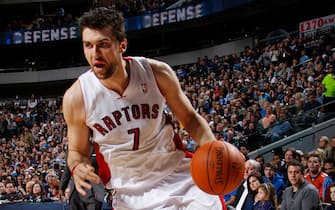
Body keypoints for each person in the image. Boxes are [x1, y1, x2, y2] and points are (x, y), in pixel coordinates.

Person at [62, 7, 225, 209]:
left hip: (178, 173)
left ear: (122, 44)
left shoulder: (157, 73)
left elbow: (190, 119)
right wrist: (78, 166)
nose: (95, 54)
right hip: (129, 191)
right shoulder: (77, 97)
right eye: (88, 45)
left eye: (103, 45)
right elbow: (77, 150)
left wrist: (215, 149)